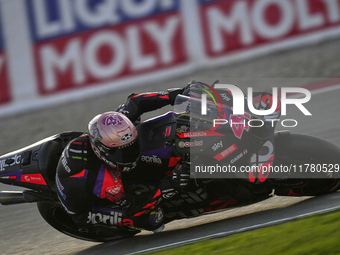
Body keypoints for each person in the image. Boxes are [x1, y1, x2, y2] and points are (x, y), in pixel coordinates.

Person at [55, 87, 190, 234]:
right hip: (83, 212)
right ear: (103, 150)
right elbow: (133, 207)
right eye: (122, 152)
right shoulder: (107, 182)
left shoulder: (118, 126)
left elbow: (136, 101)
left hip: (80, 163)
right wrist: (167, 186)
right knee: (152, 221)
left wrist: (176, 94)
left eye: (131, 147)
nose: (129, 155)